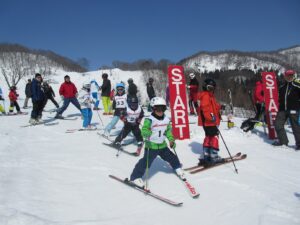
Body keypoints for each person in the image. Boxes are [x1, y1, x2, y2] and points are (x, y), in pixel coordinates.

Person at [129, 97, 185, 188]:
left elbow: (168, 131)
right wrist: (146, 132)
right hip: (151, 146)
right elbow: (144, 129)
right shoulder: (150, 120)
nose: (160, 111)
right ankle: (135, 177)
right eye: (157, 108)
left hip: (162, 145)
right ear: (153, 108)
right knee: (145, 162)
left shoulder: (166, 120)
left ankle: (177, 167)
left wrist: (171, 140)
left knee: (172, 157)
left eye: (162, 108)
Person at [197, 78, 224, 166]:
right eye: (209, 88)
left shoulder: (209, 96)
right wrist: (212, 118)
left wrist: (220, 107)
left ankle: (207, 155)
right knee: (215, 137)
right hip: (210, 122)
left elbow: (214, 106)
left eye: (212, 88)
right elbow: (205, 109)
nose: (210, 90)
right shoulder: (206, 96)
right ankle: (214, 156)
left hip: (208, 122)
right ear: (205, 87)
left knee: (209, 137)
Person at [273, 70, 300, 150]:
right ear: (285, 76)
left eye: (291, 75)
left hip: (293, 109)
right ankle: (283, 141)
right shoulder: (282, 86)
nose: (289, 77)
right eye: (288, 75)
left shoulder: (297, 85)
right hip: (282, 109)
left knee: (295, 127)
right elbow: (279, 97)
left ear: (293, 76)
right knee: (278, 124)